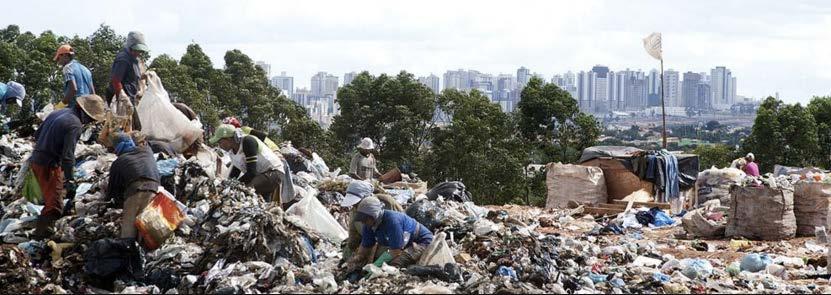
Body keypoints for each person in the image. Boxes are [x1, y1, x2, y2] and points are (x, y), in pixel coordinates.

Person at [30, 95, 106, 238]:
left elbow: (37, 134)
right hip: (48, 165)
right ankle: (40, 238)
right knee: (54, 205)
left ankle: (42, 231)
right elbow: (68, 156)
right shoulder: (74, 124)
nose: (89, 122)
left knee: (49, 198)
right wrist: (70, 180)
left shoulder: (57, 112)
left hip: (36, 159)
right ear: (83, 111)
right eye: (90, 118)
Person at [343, 197, 433, 271]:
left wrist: (376, 265)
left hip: (421, 241)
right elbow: (366, 246)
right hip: (405, 243)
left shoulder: (392, 221)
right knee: (365, 263)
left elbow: (396, 251)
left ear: (373, 216)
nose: (363, 222)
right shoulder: (368, 224)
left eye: (365, 219)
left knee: (394, 264)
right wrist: (357, 258)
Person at [209, 124, 285, 201]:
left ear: (228, 139)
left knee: (246, 190)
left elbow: (251, 173)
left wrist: (234, 185)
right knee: (261, 202)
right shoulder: (232, 152)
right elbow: (235, 172)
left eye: (220, 142)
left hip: (273, 172)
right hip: (261, 175)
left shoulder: (248, 141)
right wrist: (227, 184)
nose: (220, 146)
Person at [107, 133, 161, 238]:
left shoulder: (119, 162)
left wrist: (113, 203)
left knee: (129, 230)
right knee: (146, 226)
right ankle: (145, 251)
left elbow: (113, 191)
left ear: (118, 147)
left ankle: (128, 251)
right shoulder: (147, 151)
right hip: (155, 190)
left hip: (136, 191)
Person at [340, 181, 404, 262]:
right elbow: (354, 236)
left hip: (390, 241)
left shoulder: (387, 202)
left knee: (383, 257)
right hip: (368, 241)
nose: (355, 205)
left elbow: (402, 223)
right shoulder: (354, 211)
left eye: (357, 202)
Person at [108, 31, 148, 130]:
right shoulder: (123, 59)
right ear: (130, 46)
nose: (138, 53)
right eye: (136, 50)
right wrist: (123, 98)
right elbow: (116, 80)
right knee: (127, 127)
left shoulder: (134, 60)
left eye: (140, 51)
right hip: (122, 99)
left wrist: (145, 76)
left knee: (134, 127)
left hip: (131, 98)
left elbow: (132, 77)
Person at [55, 44, 95, 109]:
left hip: (75, 107)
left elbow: (73, 89)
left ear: (65, 55)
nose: (58, 61)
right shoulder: (86, 69)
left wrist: (61, 105)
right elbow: (93, 93)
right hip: (87, 108)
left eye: (58, 58)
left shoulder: (68, 68)